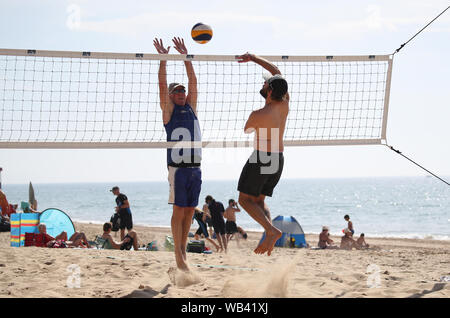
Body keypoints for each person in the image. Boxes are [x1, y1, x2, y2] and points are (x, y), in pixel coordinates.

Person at [154, 37, 202, 271]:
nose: (182, 92)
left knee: (190, 211)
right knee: (179, 210)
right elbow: (162, 87)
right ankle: (178, 254)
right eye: (177, 91)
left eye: (182, 90)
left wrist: (186, 57)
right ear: (172, 96)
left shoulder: (191, 107)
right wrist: (163, 60)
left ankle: (183, 251)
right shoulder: (169, 112)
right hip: (178, 167)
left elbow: (193, 80)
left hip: (195, 166)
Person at [236, 53, 289, 256]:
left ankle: (270, 230)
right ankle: (270, 233)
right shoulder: (284, 105)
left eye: (267, 84)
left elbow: (247, 130)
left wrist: (252, 58)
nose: (265, 83)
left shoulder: (258, 114)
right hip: (277, 159)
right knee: (259, 201)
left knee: (244, 200)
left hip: (262, 157)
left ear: (269, 90)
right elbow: (277, 73)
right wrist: (254, 58)